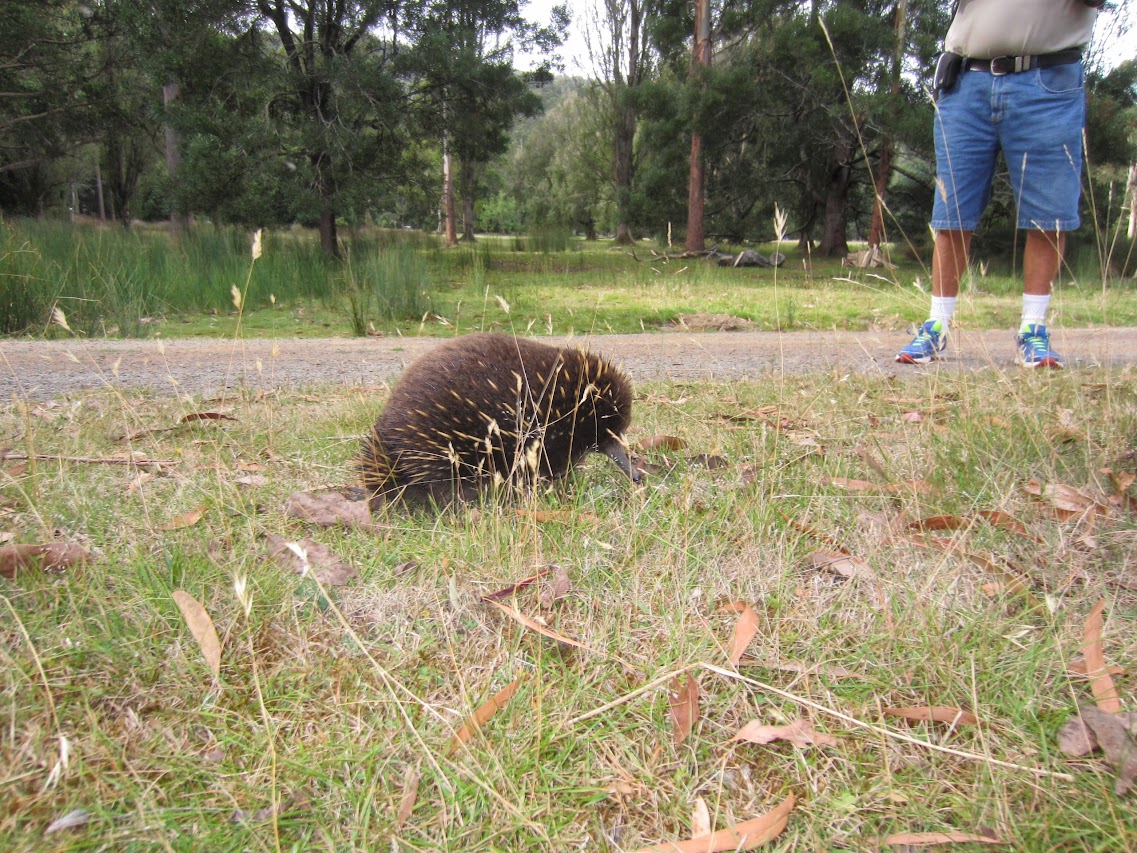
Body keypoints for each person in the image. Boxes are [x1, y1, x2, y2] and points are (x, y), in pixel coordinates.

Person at [896, 0, 1103, 369]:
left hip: (1048, 78)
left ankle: (1033, 330)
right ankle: (936, 326)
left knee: (1048, 213)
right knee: (951, 211)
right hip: (966, 80)